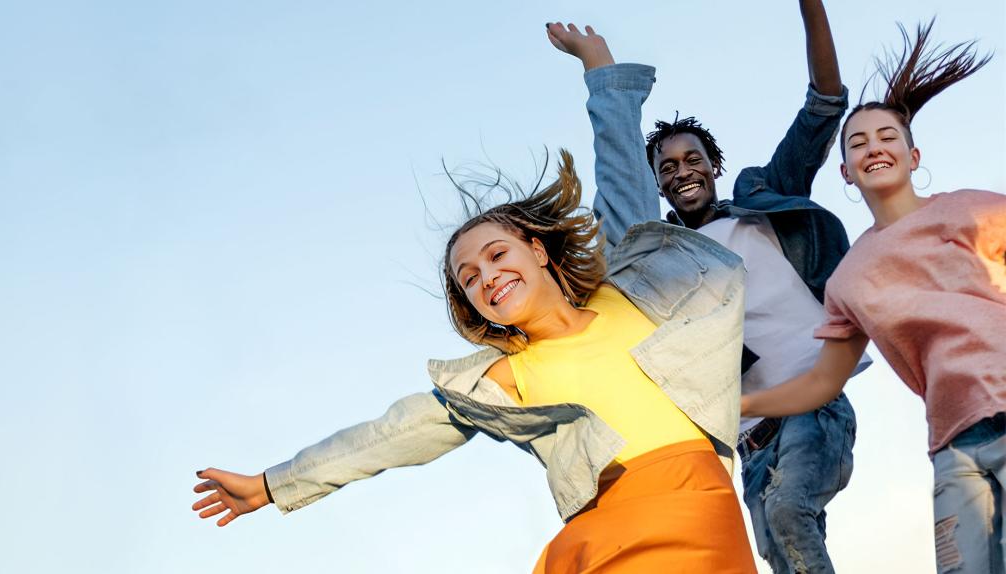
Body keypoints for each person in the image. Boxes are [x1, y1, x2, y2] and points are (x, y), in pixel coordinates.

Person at [191, 24, 757, 573]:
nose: (485, 276)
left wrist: (601, 70)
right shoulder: (504, 380)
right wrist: (275, 484)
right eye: (467, 278)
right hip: (603, 527)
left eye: (495, 255)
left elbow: (623, 177)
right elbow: (389, 435)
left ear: (537, 250)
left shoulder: (631, 288)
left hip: (699, 507)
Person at [562, 2, 869, 571]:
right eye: (667, 168)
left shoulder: (759, 203)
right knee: (778, 550)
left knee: (786, 516)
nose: (682, 171)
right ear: (658, 183)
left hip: (814, 407)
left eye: (692, 159)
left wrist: (811, 10)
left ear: (713, 164)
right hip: (748, 438)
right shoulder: (664, 262)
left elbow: (823, 106)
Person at [739, 21, 1001, 574]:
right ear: (846, 173)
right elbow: (821, 382)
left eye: (887, 137)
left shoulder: (974, 210)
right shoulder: (850, 278)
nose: (873, 147)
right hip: (954, 450)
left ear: (912, 153)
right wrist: (737, 407)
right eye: (858, 142)